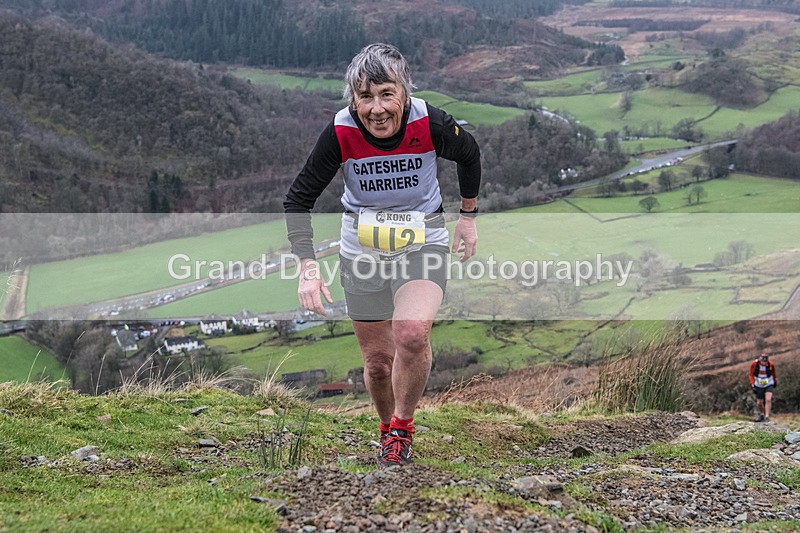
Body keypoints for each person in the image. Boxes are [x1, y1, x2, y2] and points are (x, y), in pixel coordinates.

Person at [284, 43, 481, 467]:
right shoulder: (340, 131)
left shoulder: (430, 122)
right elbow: (298, 199)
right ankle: (387, 429)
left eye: (386, 94)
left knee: (411, 334)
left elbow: (470, 153)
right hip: (363, 250)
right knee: (376, 365)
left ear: (405, 94)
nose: (376, 109)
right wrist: (307, 266)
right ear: (353, 99)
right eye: (365, 96)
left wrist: (467, 217)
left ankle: (402, 430)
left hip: (422, 241)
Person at [749, 352, 777, 422]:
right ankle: (762, 414)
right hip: (758, 384)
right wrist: (752, 384)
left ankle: (767, 416)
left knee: (768, 399)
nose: (764, 363)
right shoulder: (754, 364)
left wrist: (775, 381)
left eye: (765, 362)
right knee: (759, 403)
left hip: (768, 383)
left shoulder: (771, 364)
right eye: (762, 361)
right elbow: (751, 374)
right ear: (760, 360)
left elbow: (773, 373)